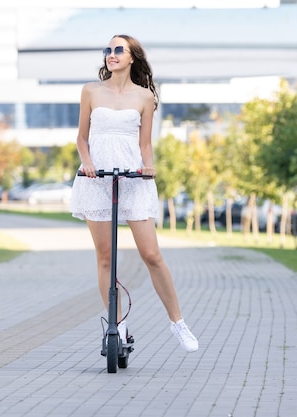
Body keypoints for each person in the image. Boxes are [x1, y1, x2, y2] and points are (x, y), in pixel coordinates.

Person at [70, 34, 199, 353]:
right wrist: (87, 163)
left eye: (118, 50)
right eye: (108, 50)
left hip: (133, 178)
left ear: (132, 58)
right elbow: (82, 139)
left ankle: (178, 323)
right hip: (96, 178)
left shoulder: (145, 98)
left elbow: (145, 144)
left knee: (152, 255)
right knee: (105, 257)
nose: (111, 55)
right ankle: (117, 324)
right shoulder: (90, 91)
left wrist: (148, 166)